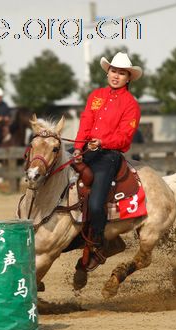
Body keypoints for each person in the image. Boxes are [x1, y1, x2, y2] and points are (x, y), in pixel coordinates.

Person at [73, 51, 142, 271]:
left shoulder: (131, 105)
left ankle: (98, 244)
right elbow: (86, 121)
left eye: (121, 73)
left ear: (128, 78)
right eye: (113, 71)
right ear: (108, 72)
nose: (116, 76)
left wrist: (101, 142)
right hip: (86, 150)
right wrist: (77, 146)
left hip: (108, 156)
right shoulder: (96, 96)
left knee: (95, 203)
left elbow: (124, 138)